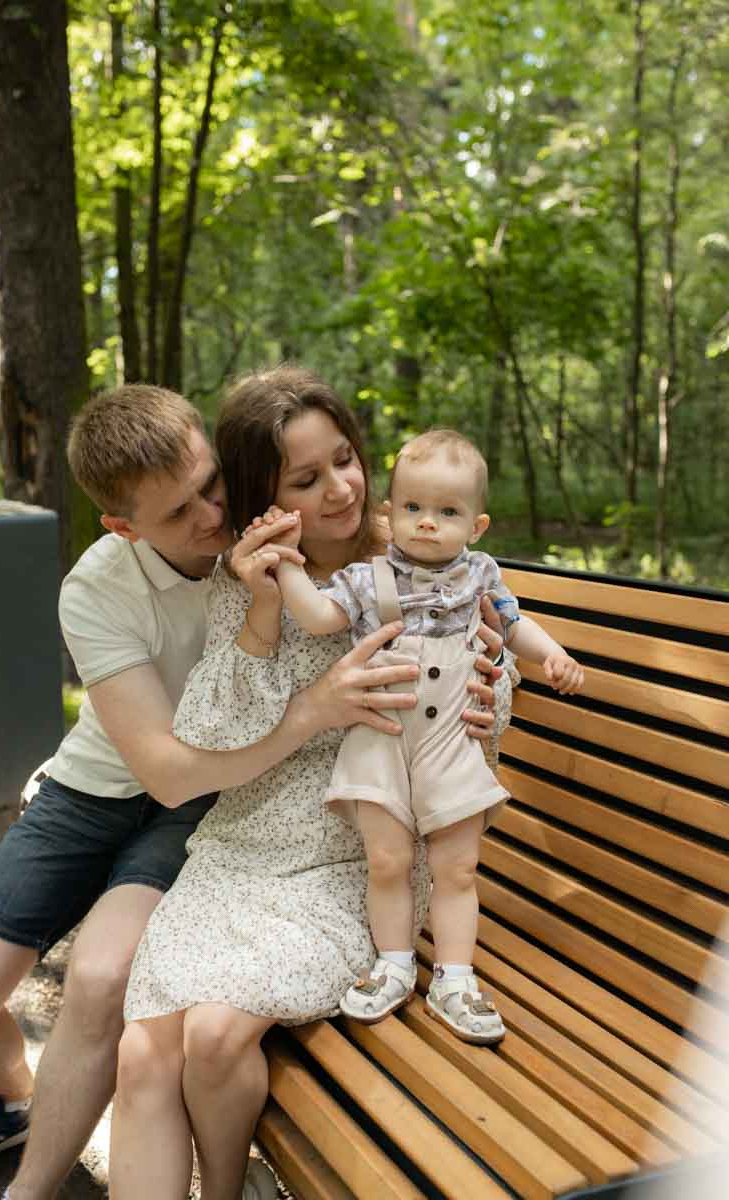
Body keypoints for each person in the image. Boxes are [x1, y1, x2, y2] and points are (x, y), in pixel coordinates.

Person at [0, 383, 459, 1200]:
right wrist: (305, 701)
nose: (214, 516)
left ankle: (30, 1191)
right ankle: (8, 1098)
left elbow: (424, 592)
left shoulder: (306, 543)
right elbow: (168, 766)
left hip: (233, 810)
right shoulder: (107, 588)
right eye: (182, 513)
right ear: (125, 525)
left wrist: (481, 663)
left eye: (216, 485)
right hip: (121, 783)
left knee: (107, 981)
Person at [107, 367, 515, 1200]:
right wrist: (261, 609)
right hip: (244, 850)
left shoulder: (417, 556)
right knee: (146, 1048)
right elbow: (212, 735)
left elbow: (483, 698)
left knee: (217, 1036)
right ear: (266, 495)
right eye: (306, 477)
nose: (342, 487)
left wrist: (491, 687)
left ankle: (221, 1188)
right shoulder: (249, 580)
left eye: (346, 460)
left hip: (360, 858)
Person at [274, 428, 585, 1043]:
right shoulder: (369, 580)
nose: (426, 524)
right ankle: (392, 962)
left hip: (450, 744)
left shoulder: (481, 577)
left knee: (458, 866)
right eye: (413, 508)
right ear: (391, 512)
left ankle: (455, 978)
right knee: (387, 859)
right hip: (384, 736)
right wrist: (284, 564)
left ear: (478, 525)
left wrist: (555, 656)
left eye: (447, 512)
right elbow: (315, 617)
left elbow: (516, 627)